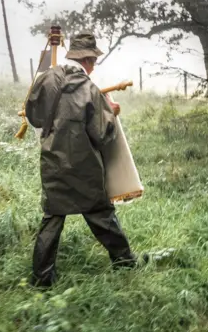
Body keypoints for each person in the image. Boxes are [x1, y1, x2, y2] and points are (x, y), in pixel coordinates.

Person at [25, 32, 145, 288]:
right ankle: (125, 263)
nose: (93, 67)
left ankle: (41, 280)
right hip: (85, 167)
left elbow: (33, 117)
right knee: (101, 214)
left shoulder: (46, 79)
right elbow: (103, 135)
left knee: (52, 218)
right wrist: (111, 113)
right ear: (88, 60)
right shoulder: (90, 89)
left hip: (52, 163)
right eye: (93, 61)